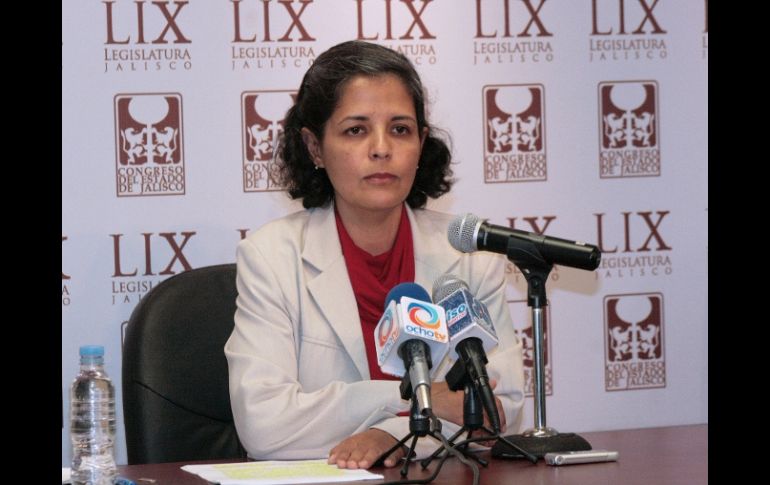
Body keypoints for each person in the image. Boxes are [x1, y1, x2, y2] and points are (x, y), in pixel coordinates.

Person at [225, 40, 525, 470]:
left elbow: (499, 410)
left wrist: (396, 434)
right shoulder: (271, 257)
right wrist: (418, 399)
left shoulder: (469, 257)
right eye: (356, 130)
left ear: (421, 143)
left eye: (400, 129)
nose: (382, 148)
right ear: (314, 147)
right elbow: (264, 423)